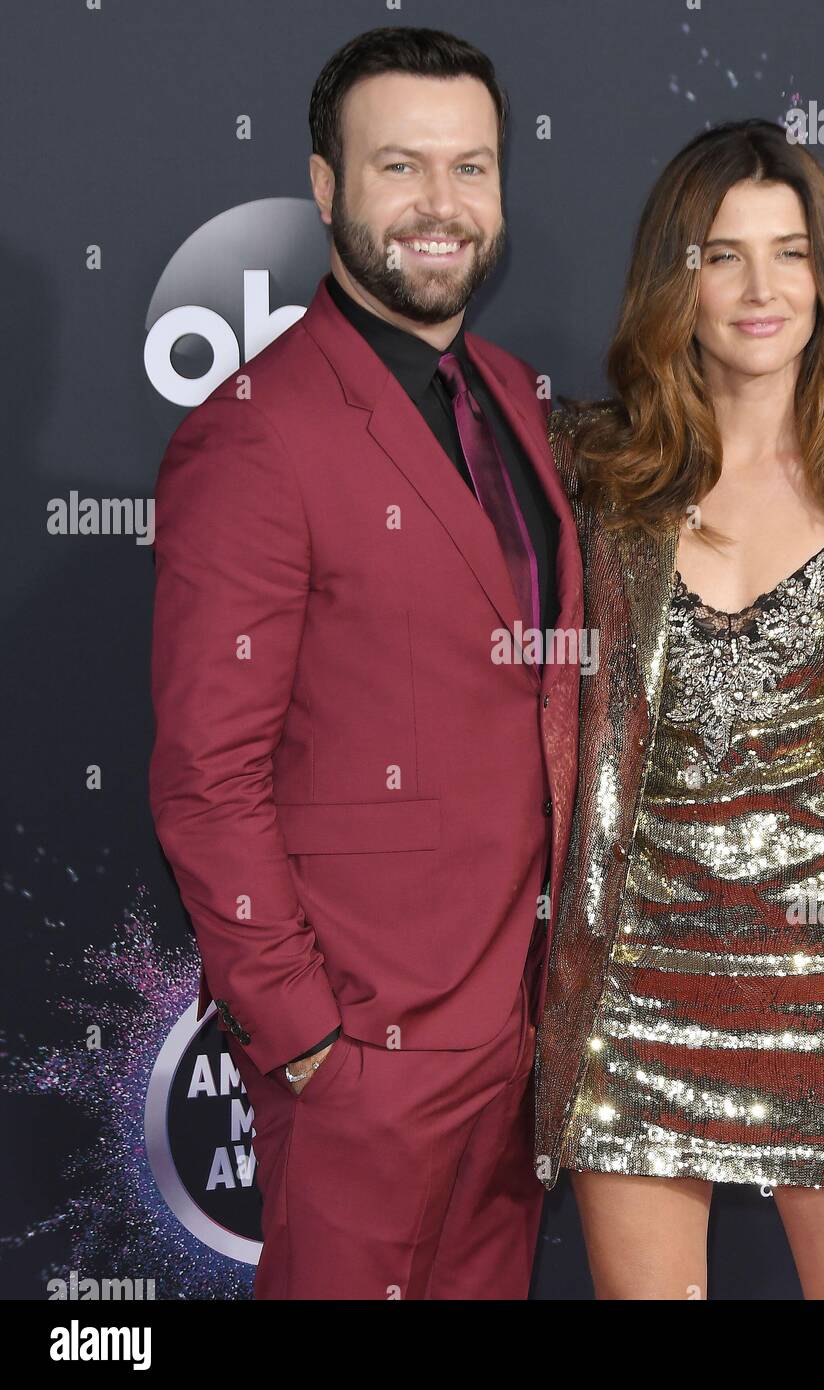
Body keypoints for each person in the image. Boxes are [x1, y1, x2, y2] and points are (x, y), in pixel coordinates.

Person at [149, 26, 583, 1299]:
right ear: (328, 188)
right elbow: (202, 775)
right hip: (360, 1057)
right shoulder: (253, 436)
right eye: (401, 167)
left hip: (515, 1042)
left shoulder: (508, 392)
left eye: (472, 168)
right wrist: (305, 1039)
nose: (441, 206)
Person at [534, 119, 824, 1300]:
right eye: (720, 254)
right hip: (635, 987)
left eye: (788, 253)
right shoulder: (593, 475)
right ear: (671, 283)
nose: (758, 288)